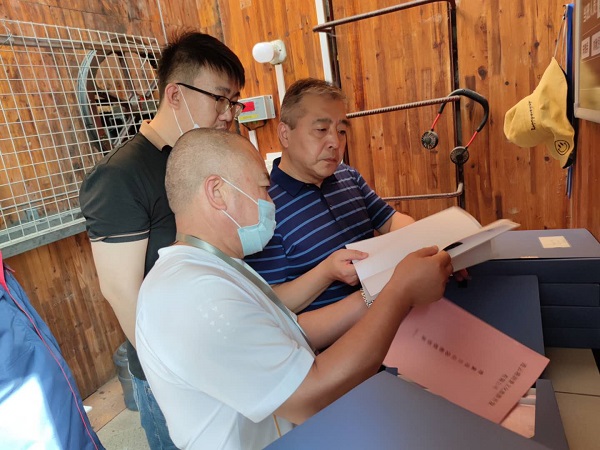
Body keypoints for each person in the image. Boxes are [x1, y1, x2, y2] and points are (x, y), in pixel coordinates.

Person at [136, 128, 453, 450]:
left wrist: (377, 293)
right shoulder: (194, 293)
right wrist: (400, 293)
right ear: (217, 192)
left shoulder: (218, 267)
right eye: (263, 188)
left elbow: (292, 331)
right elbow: (309, 397)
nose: (270, 202)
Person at [78, 31, 245, 449]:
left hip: (221, 346)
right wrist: (173, 370)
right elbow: (121, 289)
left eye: (234, 101)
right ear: (175, 94)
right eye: (219, 99)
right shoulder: (120, 176)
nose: (228, 114)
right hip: (173, 372)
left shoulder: (203, 159)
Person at [244, 78, 417, 313]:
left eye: (341, 131)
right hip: (337, 334)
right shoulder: (263, 206)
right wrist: (326, 273)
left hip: (390, 313)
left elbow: (391, 220)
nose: (335, 142)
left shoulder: (348, 176)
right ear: (285, 134)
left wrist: (425, 242)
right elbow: (270, 302)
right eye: (321, 130)